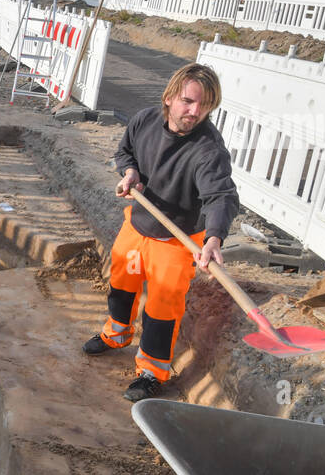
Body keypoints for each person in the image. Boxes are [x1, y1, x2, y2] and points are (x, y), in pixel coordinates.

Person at [83, 63, 239, 401]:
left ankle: (151, 371)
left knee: (163, 305)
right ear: (169, 98)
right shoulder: (144, 121)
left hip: (177, 238)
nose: (195, 112)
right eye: (188, 101)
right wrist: (129, 172)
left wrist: (214, 237)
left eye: (204, 105)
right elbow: (125, 152)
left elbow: (221, 196)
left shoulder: (208, 150)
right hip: (139, 223)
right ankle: (117, 334)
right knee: (122, 284)